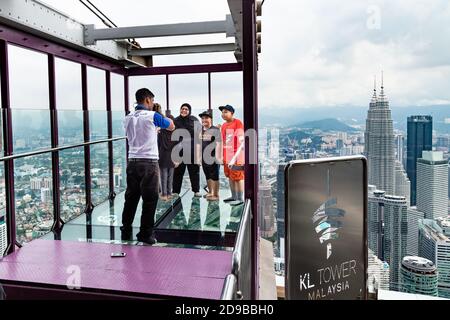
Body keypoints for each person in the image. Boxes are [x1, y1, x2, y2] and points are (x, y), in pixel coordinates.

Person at [120, 88, 175, 245]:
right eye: (151, 100)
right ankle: (145, 234)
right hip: (149, 163)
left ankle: (126, 227)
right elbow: (171, 126)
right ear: (148, 100)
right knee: (150, 199)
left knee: (131, 197)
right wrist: (161, 114)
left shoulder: (128, 117)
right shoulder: (153, 115)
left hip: (132, 161)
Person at [172, 103, 202, 197]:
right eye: (182, 109)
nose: (184, 111)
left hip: (192, 151)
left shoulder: (194, 119)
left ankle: (196, 190)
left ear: (189, 111)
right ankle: (176, 191)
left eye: (186, 109)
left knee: (194, 171)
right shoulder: (175, 120)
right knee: (178, 172)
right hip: (179, 151)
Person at [219, 105, 245, 206]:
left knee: (238, 177)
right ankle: (233, 196)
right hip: (227, 154)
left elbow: (241, 140)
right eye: (222, 112)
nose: (223, 114)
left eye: (226, 112)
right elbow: (223, 141)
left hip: (237, 155)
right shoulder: (224, 125)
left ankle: (240, 198)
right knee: (230, 176)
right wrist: (222, 155)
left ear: (232, 113)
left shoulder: (237, 122)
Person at [198, 110, 221, 201]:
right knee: (208, 175)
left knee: (214, 176)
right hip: (204, 157)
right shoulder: (201, 131)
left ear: (211, 119)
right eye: (202, 118)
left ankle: (216, 195)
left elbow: (219, 144)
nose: (204, 120)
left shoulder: (215, 130)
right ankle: (210, 192)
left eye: (206, 118)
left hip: (213, 157)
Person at [158, 114, 176, 201]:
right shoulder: (175, 133)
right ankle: (168, 193)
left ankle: (164, 194)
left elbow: (158, 145)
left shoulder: (160, 132)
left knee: (164, 176)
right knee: (169, 176)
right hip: (171, 156)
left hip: (163, 156)